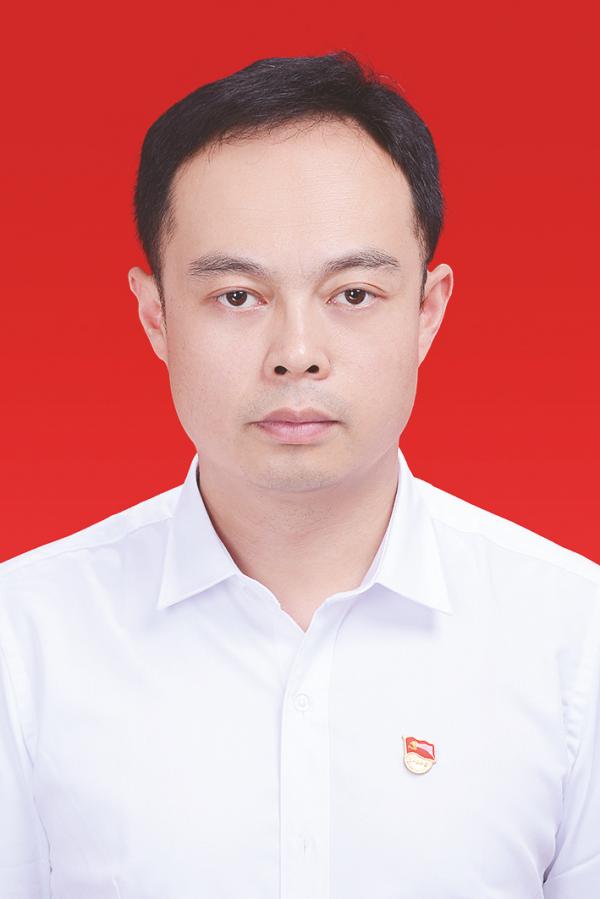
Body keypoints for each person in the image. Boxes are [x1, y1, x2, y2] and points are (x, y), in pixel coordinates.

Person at [0, 51, 598, 899]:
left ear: (427, 310)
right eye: (237, 296)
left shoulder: (573, 638)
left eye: (352, 294)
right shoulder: (25, 641)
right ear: (155, 315)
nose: (296, 354)